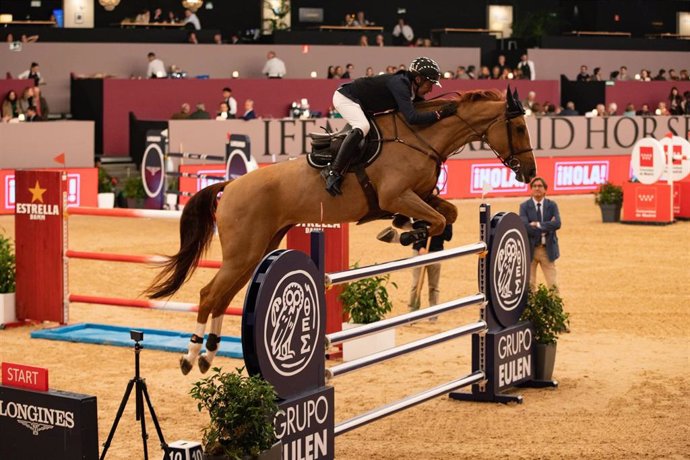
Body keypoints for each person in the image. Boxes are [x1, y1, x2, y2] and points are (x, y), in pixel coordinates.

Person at [322, 56, 456, 196]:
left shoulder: (409, 87)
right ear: (418, 80)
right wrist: (440, 114)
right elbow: (412, 118)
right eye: (430, 84)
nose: (431, 89)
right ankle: (333, 171)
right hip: (346, 98)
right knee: (362, 126)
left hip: (361, 104)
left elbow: (422, 108)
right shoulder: (400, 85)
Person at [407, 189, 453, 314]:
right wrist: (420, 246)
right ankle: (412, 311)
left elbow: (449, 236)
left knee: (433, 286)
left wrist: (438, 227)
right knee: (416, 284)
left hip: (436, 253)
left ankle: (433, 313)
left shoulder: (444, 213)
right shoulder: (418, 211)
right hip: (419, 252)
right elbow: (413, 232)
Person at [519, 177, 561, 291]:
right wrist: (547, 225)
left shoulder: (552, 205)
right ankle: (531, 308)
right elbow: (525, 227)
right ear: (531, 189)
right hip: (530, 250)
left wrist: (537, 225)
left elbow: (557, 224)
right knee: (530, 285)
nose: (537, 188)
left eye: (540, 186)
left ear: (545, 190)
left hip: (547, 250)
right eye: (534, 186)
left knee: (553, 284)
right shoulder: (524, 206)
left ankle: (554, 308)